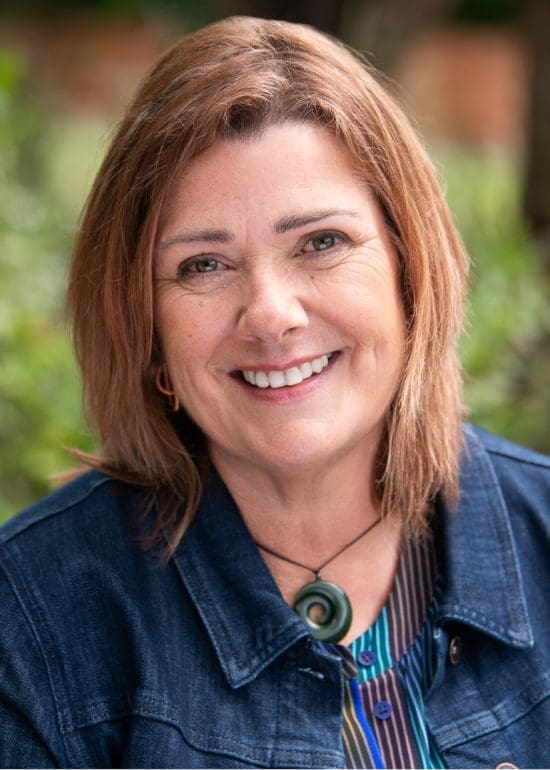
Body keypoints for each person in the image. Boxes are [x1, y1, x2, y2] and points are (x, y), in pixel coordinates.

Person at [0, 15, 548, 769]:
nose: (271, 315)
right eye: (202, 266)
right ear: (145, 327)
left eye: (320, 243)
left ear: (408, 273)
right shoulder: (28, 622)